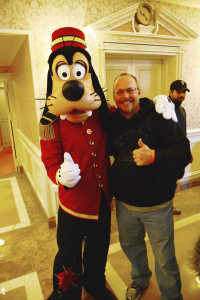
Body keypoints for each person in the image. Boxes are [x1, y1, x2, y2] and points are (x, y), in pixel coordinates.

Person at [40, 27, 117, 300]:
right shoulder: (51, 123)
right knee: (69, 258)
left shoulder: (102, 114)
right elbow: (49, 160)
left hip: (101, 202)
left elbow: (127, 120)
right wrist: (59, 174)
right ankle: (66, 293)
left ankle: (95, 284)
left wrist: (150, 110)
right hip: (72, 206)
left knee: (98, 252)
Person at [108, 73, 192, 300]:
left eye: (130, 90)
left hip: (157, 205)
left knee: (164, 258)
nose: (126, 96)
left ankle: (172, 295)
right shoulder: (112, 122)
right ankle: (141, 279)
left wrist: (154, 156)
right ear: (114, 97)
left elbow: (185, 152)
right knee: (132, 248)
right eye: (120, 92)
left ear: (138, 91)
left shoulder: (159, 115)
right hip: (125, 205)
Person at [154, 79, 190, 215]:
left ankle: (169, 206)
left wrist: (186, 151)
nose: (182, 95)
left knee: (174, 181)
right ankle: (161, 208)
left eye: (184, 92)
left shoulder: (182, 110)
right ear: (171, 92)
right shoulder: (161, 107)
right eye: (179, 92)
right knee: (162, 182)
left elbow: (183, 133)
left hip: (178, 154)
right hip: (164, 155)